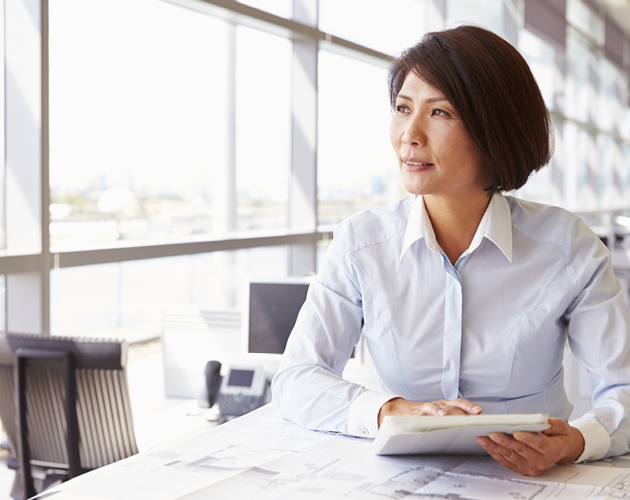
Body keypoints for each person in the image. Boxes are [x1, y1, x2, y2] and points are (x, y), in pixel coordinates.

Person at [271, 25, 630, 476]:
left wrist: (577, 440)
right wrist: (391, 411)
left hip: (531, 479)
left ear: (494, 128)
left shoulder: (567, 247)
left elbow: (624, 388)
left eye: (440, 112)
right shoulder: (362, 243)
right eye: (403, 108)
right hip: (400, 480)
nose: (410, 134)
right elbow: (296, 379)